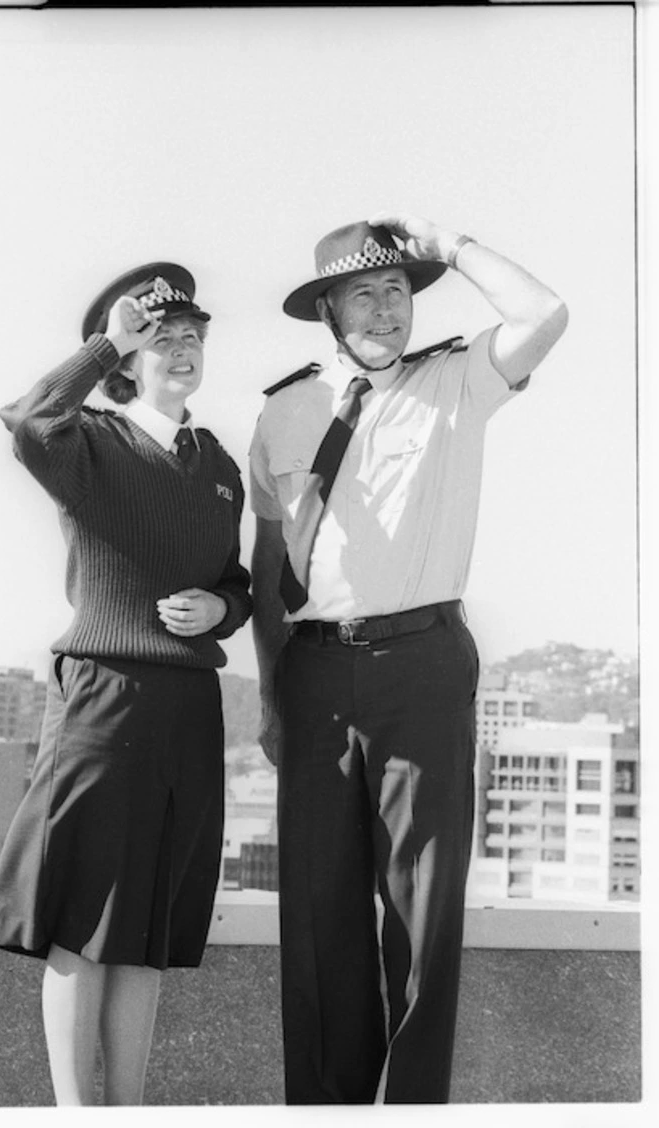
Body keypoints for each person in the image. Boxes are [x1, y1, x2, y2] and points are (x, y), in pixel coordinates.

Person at [249, 213, 568, 1104]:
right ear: (329, 312)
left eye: (398, 291)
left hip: (422, 666)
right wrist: (275, 694)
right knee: (318, 915)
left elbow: (546, 312)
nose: (388, 310)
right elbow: (271, 568)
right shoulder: (283, 408)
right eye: (365, 294)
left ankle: (413, 1114)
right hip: (314, 675)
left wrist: (451, 247)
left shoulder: (455, 382)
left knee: (423, 918)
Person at [0, 262, 252, 1105]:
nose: (179, 349)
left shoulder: (217, 463)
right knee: (82, 924)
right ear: (126, 360)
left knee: (146, 934)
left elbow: (239, 584)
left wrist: (221, 606)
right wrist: (105, 345)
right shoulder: (89, 442)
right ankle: (77, 1117)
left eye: (191, 338)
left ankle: (129, 1114)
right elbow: (28, 420)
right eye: (158, 337)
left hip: (187, 711)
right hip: (104, 701)